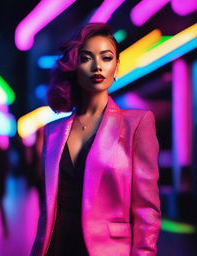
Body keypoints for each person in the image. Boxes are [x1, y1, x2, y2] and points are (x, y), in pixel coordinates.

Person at [30, 23, 161, 256]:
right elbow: (47, 205)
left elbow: (146, 210)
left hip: (108, 249)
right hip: (56, 245)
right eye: (86, 58)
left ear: (116, 67)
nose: (97, 66)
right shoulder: (52, 132)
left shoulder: (137, 124)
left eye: (107, 57)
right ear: (73, 67)